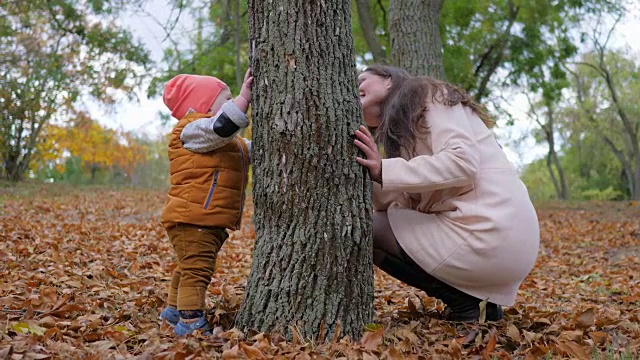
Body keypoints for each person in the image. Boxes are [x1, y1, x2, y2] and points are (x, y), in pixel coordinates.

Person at [354, 65, 540, 322]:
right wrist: (367, 175)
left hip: (490, 231)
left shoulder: (432, 95)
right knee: (376, 222)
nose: (355, 87)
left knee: (365, 228)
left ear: (389, 80)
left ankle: (465, 304)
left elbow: (461, 162)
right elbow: (404, 202)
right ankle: (482, 305)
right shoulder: (409, 135)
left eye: (362, 79)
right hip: (499, 240)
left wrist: (384, 170)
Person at [158, 70, 253, 335]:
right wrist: (245, 97)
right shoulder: (192, 130)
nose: (232, 102)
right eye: (226, 99)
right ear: (199, 106)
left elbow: (245, 148)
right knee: (197, 270)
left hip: (204, 217)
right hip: (193, 217)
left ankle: (173, 312)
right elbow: (223, 126)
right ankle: (190, 322)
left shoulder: (222, 140)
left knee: (188, 265)